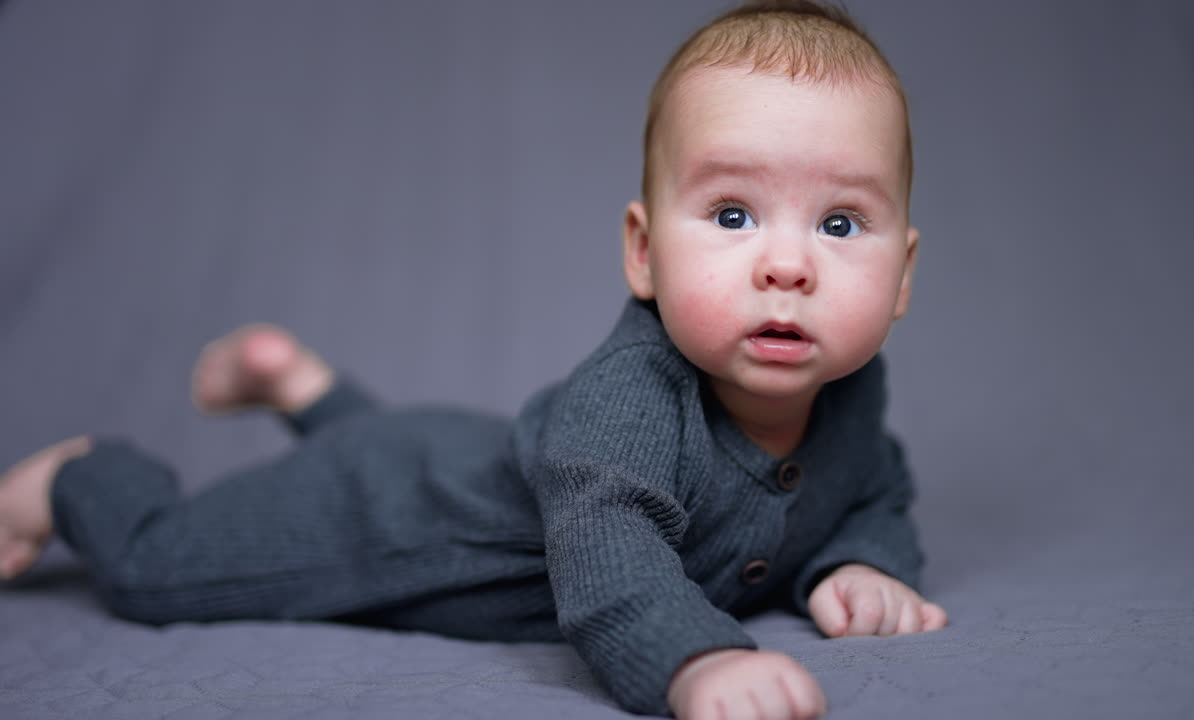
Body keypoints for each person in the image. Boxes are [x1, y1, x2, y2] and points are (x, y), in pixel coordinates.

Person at [0, 1, 948, 717]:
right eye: (733, 213)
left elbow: (876, 490)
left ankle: (304, 386)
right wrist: (697, 660)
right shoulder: (628, 399)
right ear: (644, 252)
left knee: (406, 444)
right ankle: (79, 476)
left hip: (454, 451)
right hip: (384, 512)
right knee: (156, 571)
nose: (788, 265)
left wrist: (860, 563)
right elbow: (611, 561)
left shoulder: (850, 395)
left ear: (902, 276)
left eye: (840, 223)